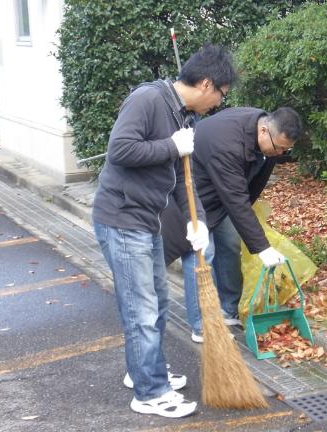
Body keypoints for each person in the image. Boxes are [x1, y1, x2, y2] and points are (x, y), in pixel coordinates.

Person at [92, 43, 236, 418]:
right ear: (207, 84)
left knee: (155, 303)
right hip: (123, 219)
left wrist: (198, 219)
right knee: (141, 309)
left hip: (148, 221)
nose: (219, 103)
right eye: (221, 94)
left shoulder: (180, 115)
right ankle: (150, 392)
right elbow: (120, 150)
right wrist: (170, 147)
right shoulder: (148, 100)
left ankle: (144, 371)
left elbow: (179, 180)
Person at [161, 107, 303, 341]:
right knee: (203, 253)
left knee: (229, 242)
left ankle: (228, 308)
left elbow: (249, 190)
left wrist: (248, 214)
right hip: (194, 193)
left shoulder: (266, 139)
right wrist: (263, 248)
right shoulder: (228, 142)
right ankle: (203, 325)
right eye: (279, 148)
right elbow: (236, 200)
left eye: (286, 150)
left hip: (224, 193)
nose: (280, 153)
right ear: (264, 131)